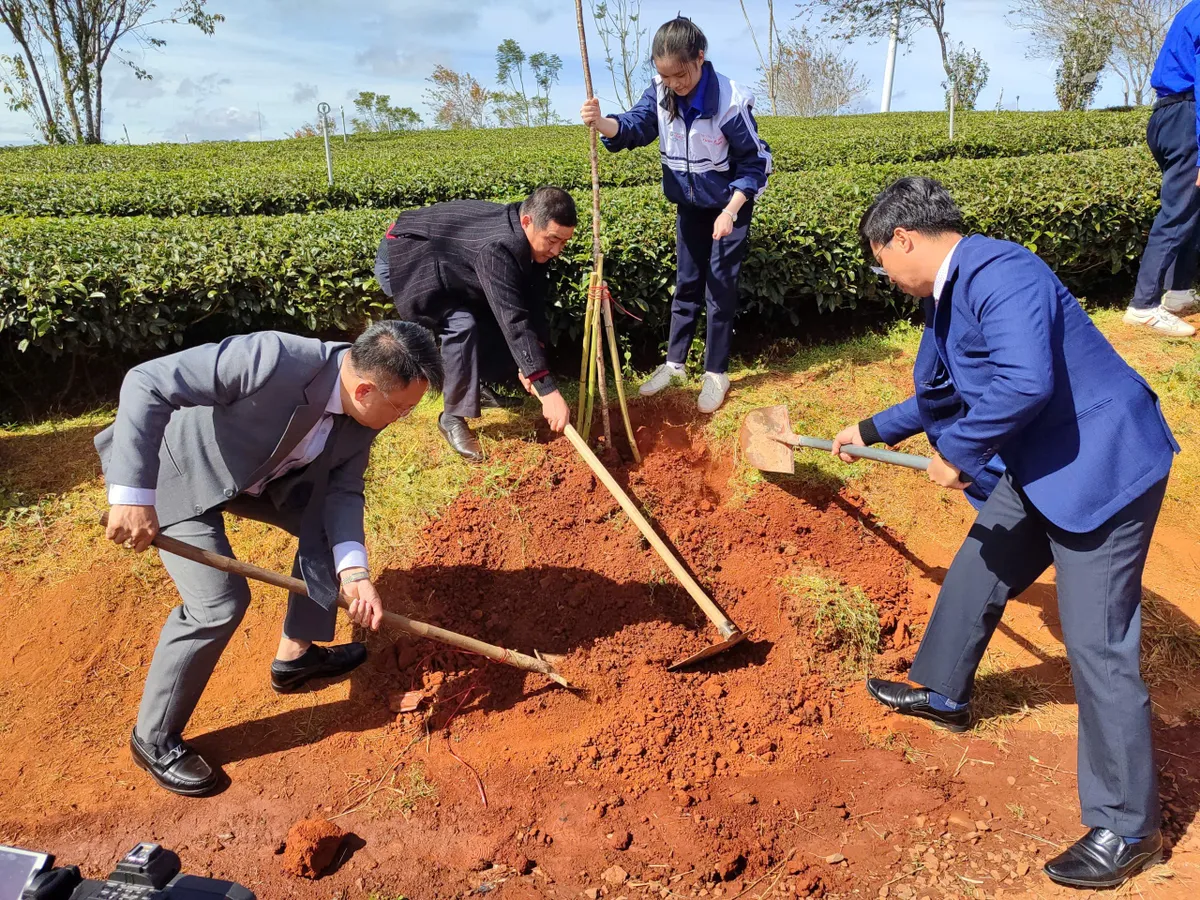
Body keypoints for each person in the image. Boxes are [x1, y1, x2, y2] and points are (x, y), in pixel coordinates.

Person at [834, 177, 1179, 890]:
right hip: (1041, 463)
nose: (884, 276)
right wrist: (870, 429)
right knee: (980, 563)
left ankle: (1127, 826)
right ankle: (941, 690)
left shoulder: (1002, 272)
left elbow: (1024, 383)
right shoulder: (951, 297)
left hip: (1102, 469)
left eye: (880, 260)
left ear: (904, 239)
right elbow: (947, 394)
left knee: (1098, 646)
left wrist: (957, 455)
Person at [97, 322, 444, 796]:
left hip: (260, 480)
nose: (402, 419)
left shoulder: (364, 413)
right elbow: (148, 381)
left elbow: (342, 489)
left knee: (324, 528)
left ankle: (294, 658)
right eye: (400, 409)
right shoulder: (272, 358)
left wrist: (355, 573)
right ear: (364, 389)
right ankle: (153, 738)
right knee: (218, 604)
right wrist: (133, 493)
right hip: (177, 472)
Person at [581, 16, 772, 414]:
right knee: (686, 284)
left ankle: (716, 372)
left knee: (718, 288)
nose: (674, 83)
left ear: (700, 58)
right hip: (689, 204)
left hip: (728, 206)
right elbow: (635, 127)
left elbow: (755, 163)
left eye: (680, 74)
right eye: (665, 76)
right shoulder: (660, 91)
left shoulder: (730, 102)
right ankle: (675, 365)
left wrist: (731, 211)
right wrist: (600, 121)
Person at [374, 186, 576, 462]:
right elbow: (513, 318)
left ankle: (473, 390)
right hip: (407, 256)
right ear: (528, 221)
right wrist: (546, 389)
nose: (557, 250)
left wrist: (534, 360)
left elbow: (532, 298)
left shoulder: (527, 235)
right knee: (462, 325)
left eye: (563, 243)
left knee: (486, 316)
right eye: (553, 240)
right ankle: (452, 417)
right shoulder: (497, 246)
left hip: (445, 259)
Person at [1126, 1, 1200, 337]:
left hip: (1165, 115)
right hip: (1186, 115)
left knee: (1190, 207)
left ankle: (1179, 292)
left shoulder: (1191, 8)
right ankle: (1143, 307)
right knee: (1177, 212)